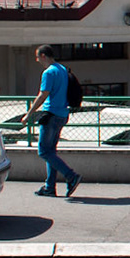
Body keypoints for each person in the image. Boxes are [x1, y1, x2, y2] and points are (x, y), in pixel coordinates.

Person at [27, 45, 81, 197]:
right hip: (62, 114)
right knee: (51, 152)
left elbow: (43, 95)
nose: (37, 60)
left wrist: (29, 113)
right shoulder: (62, 69)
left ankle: (71, 176)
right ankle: (49, 187)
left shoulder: (48, 72)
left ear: (43, 56)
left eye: (37, 57)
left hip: (51, 115)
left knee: (44, 151)